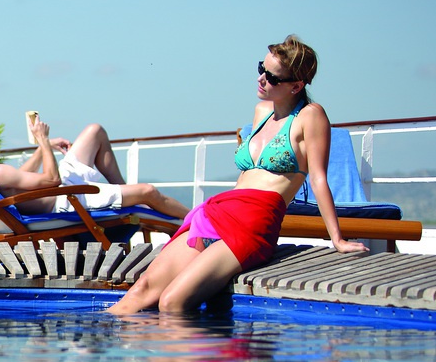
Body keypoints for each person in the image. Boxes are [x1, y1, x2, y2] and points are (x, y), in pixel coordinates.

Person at [108, 35, 369, 315]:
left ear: (296, 86)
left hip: (254, 222)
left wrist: (337, 239)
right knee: (142, 288)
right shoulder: (262, 112)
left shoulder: (311, 116)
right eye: (261, 69)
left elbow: (318, 178)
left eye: (272, 77)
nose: (261, 79)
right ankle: (99, 338)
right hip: (219, 212)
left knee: (172, 302)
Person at [0, 117, 190, 220]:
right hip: (66, 198)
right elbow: (51, 180)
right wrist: (43, 139)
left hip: (63, 190)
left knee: (95, 131)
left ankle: (124, 191)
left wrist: (44, 148)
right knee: (149, 191)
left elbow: (23, 177)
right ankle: (197, 220)